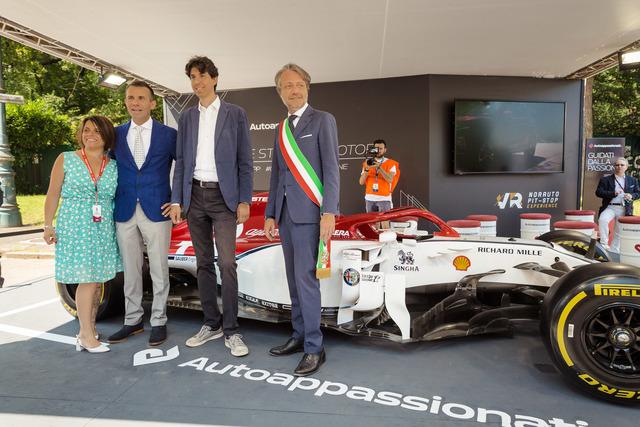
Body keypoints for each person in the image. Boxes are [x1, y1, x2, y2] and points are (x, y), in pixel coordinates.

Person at [169, 56, 253, 357]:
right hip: (194, 196)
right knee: (203, 263)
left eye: (202, 76)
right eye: (193, 77)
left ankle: (232, 330)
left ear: (215, 79)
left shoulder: (235, 114)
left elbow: (245, 161)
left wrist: (244, 199)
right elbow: (181, 162)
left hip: (224, 198)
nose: (197, 82)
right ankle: (211, 323)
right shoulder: (187, 117)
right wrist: (177, 199)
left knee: (227, 263)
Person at [264, 63, 340, 376]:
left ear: (307, 88)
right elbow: (276, 175)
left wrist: (329, 212)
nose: (293, 90)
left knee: (307, 281)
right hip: (285, 216)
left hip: (310, 215)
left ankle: (314, 346)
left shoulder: (323, 120)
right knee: (294, 281)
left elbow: (332, 169)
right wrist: (270, 213)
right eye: (287, 86)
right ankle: (298, 335)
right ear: (280, 92)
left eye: (299, 85)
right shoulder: (281, 129)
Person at [43, 116, 122, 353]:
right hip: (75, 225)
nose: (90, 135)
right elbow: (53, 193)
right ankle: (86, 336)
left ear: (107, 136)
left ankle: (90, 329)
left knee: (97, 281)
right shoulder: (66, 158)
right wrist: (48, 225)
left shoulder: (113, 165)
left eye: (97, 131)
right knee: (87, 279)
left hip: (102, 227)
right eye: (86, 130)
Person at [107, 81, 177, 346]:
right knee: (131, 268)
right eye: (130, 98)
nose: (135, 102)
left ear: (152, 103)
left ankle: (159, 321)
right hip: (124, 210)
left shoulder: (168, 135)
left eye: (140, 98)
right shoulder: (115, 134)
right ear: (125, 101)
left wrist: (178, 200)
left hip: (157, 209)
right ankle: (133, 320)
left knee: (159, 268)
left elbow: (184, 167)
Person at [596, 157, 640, 252]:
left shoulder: (632, 180)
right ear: (614, 166)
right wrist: (613, 193)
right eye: (617, 165)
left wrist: (631, 196)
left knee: (619, 231)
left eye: (622, 165)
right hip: (610, 207)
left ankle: (614, 250)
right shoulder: (605, 179)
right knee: (603, 220)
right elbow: (598, 192)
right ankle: (604, 244)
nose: (619, 167)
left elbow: (638, 193)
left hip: (624, 208)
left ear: (626, 167)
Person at [359, 139, 399, 213]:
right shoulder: (367, 163)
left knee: (385, 220)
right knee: (371, 221)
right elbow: (361, 182)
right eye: (376, 149)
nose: (378, 151)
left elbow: (390, 179)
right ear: (373, 150)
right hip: (369, 198)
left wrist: (379, 167)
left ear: (385, 150)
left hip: (384, 198)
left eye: (381, 148)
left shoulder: (391, 163)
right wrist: (367, 169)